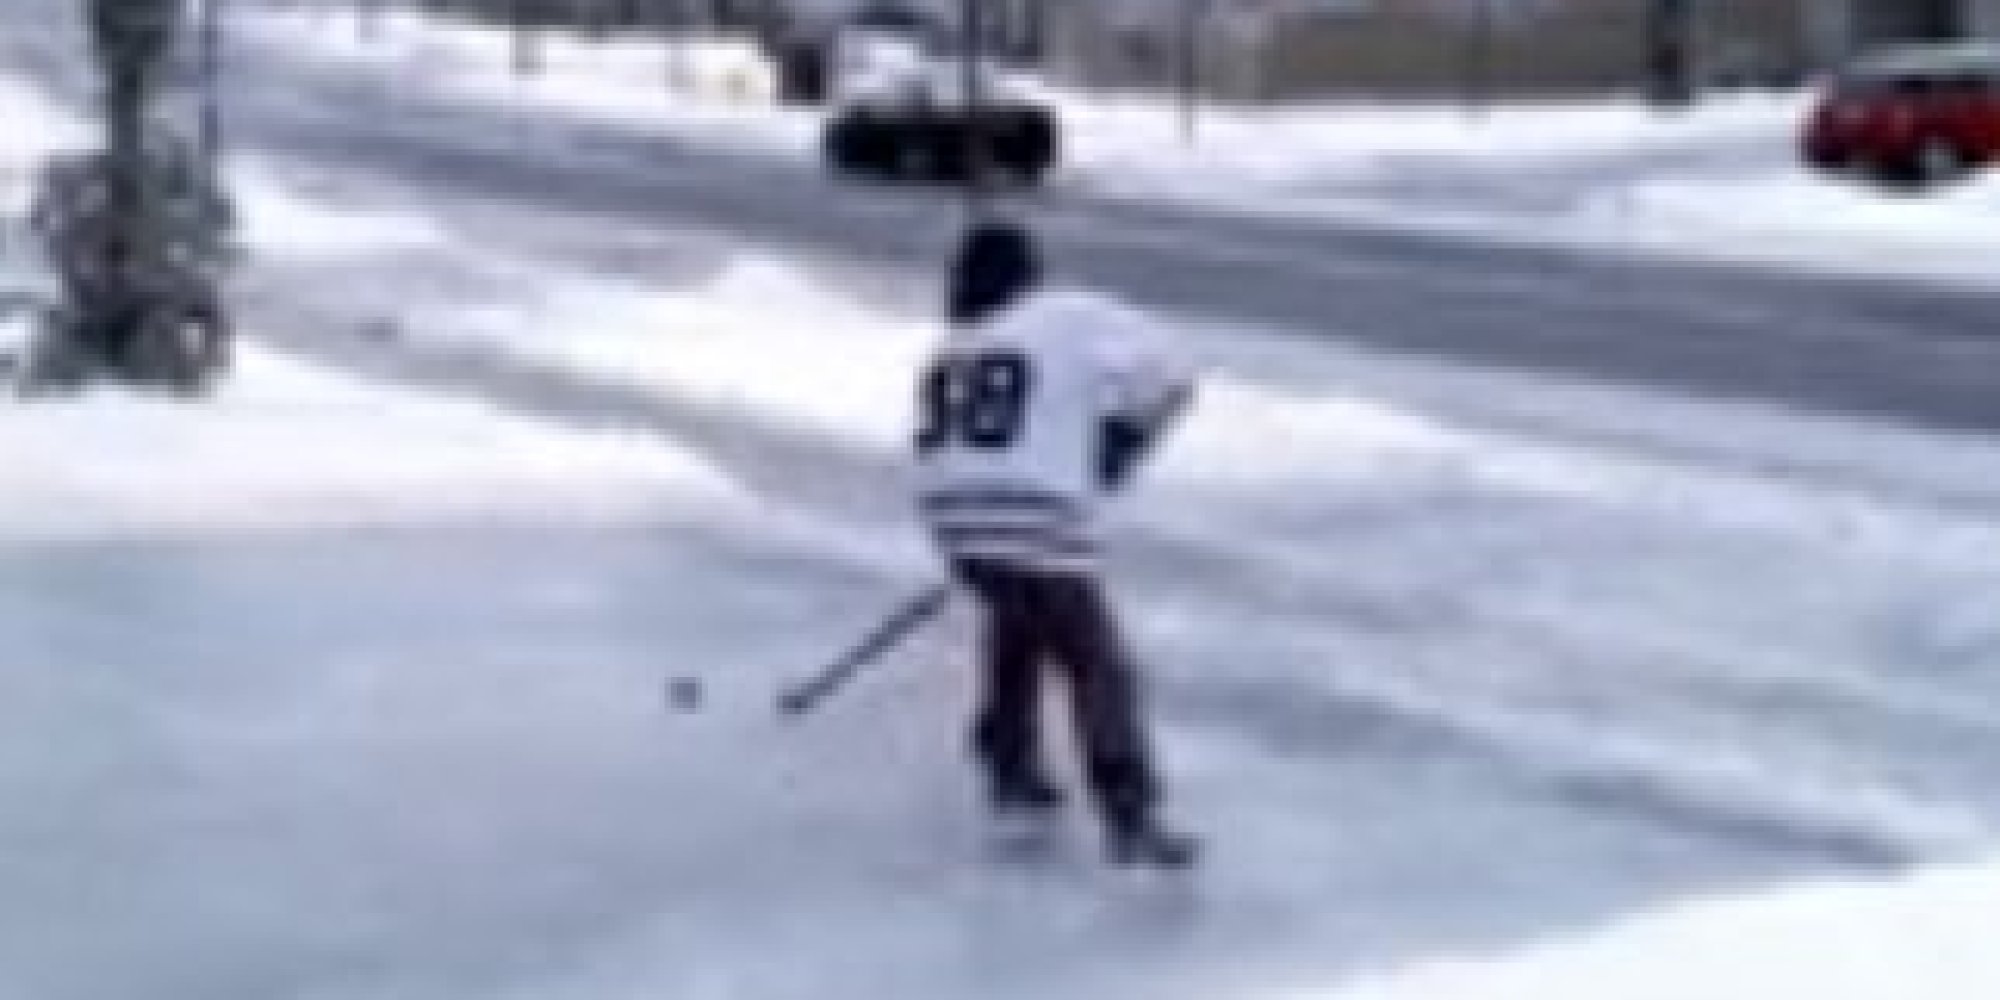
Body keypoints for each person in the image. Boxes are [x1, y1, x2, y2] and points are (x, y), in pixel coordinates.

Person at [914, 218, 1199, 868]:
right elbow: (1173, 368)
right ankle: (1130, 813)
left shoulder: (956, 342)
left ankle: (1008, 766)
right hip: (1035, 512)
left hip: (952, 518)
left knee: (1016, 622)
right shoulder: (1066, 312)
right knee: (1096, 661)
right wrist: (1120, 443)